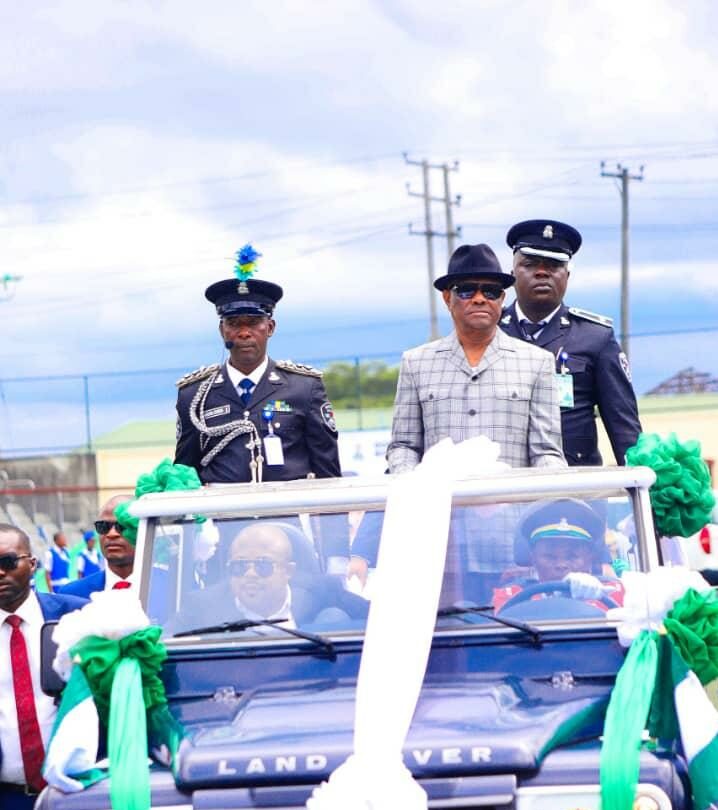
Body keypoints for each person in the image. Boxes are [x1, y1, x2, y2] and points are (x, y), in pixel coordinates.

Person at [174, 245, 349, 570]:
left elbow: (329, 475)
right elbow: (185, 476)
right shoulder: (194, 394)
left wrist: (338, 554)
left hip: (289, 534)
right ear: (221, 330)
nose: (243, 332)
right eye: (233, 323)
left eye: (253, 322)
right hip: (222, 539)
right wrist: (188, 548)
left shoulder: (303, 387)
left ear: (270, 327)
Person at [386, 242, 566, 473]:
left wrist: (552, 494)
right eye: (467, 290)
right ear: (447, 297)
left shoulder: (537, 362)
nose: (479, 299)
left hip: (513, 505)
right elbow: (404, 446)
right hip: (442, 504)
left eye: (490, 291)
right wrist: (413, 486)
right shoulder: (416, 363)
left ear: (501, 299)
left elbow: (546, 452)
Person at [501, 219, 642, 465]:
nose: (542, 272)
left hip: (574, 487)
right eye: (530, 264)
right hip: (501, 487)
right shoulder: (489, 333)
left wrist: (643, 495)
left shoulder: (595, 338)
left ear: (567, 275)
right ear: (513, 273)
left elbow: (625, 431)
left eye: (554, 265)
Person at [0, 523, 87, 807]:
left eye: (8, 562)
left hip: (75, 789)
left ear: (33, 563)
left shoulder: (77, 615)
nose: (0, 572)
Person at [170, 522, 368, 635]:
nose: (250, 574)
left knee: (334, 617)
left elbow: (381, 621)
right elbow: (162, 645)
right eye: (239, 567)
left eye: (263, 566)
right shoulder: (201, 607)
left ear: (288, 571)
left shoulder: (324, 593)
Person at [492, 498, 623, 611]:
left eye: (572, 556)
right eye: (549, 556)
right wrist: (558, 601)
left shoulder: (611, 592)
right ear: (533, 558)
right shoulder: (512, 596)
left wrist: (586, 602)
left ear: (589, 558)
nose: (561, 565)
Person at [60, 495, 135, 596]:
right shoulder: (71, 596)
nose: (112, 534)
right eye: (103, 526)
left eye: (122, 526)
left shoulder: (163, 590)